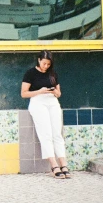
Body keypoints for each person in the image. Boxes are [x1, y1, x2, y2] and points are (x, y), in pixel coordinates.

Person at [21, 50, 70, 179]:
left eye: (48, 64)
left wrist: (54, 92)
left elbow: (59, 94)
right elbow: (24, 93)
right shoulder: (30, 73)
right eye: (44, 63)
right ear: (39, 60)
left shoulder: (52, 74)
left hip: (52, 102)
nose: (46, 66)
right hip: (38, 102)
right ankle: (54, 165)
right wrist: (39, 91)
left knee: (57, 134)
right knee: (46, 134)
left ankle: (63, 164)